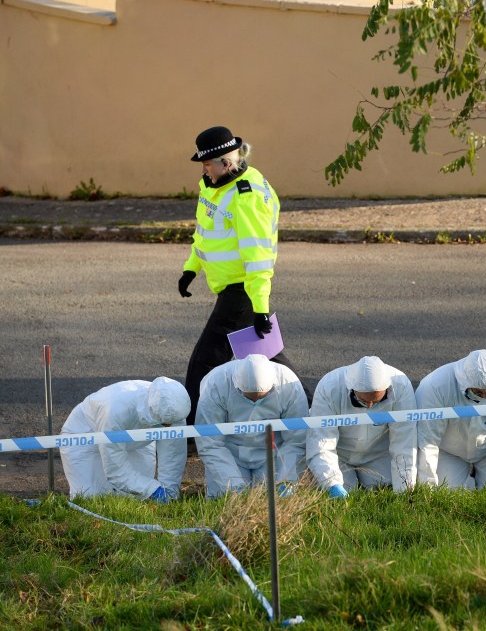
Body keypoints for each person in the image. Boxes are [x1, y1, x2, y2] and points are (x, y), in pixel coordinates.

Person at [178, 126, 307, 425]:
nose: (205, 171)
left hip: (243, 293)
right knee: (271, 360)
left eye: (208, 164)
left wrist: (260, 307)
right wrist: (191, 268)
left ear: (226, 162)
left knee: (205, 360)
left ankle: (189, 433)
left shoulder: (247, 196)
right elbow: (206, 235)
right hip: (234, 291)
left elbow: (258, 256)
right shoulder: (214, 187)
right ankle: (312, 414)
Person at [194, 354, 308, 498]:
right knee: (225, 502)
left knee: (272, 503)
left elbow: (296, 439)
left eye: (261, 397)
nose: (255, 402)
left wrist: (287, 478)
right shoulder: (217, 383)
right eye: (249, 397)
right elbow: (210, 443)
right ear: (237, 385)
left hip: (272, 454)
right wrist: (233, 485)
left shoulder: (288, 383)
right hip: (230, 454)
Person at [416, 350, 486, 491]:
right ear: (465, 382)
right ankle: (469, 481)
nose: (484, 397)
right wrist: (427, 487)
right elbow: (427, 440)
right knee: (446, 492)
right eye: (478, 393)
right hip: (448, 451)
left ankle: (477, 478)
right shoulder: (435, 386)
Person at [60, 377, 190, 501]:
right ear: (152, 411)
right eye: (165, 423)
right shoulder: (115, 409)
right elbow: (114, 468)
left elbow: (173, 453)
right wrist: (152, 489)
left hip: (136, 439)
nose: (168, 426)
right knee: (90, 497)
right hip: (84, 439)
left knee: (136, 497)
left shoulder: (175, 409)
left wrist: (170, 493)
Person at [305, 356, 418, 498]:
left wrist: (405, 490)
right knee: (327, 488)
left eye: (377, 401)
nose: (370, 406)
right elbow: (321, 441)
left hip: (378, 454)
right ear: (351, 388)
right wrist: (332, 484)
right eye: (363, 401)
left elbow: (404, 441)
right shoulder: (330, 386)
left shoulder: (401, 385)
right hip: (340, 455)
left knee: (388, 489)